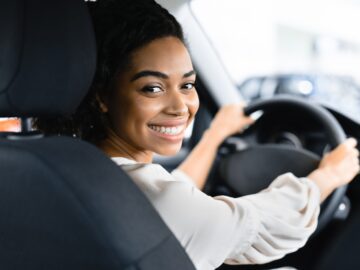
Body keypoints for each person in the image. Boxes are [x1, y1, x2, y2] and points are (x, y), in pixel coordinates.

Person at [35, 0, 360, 269]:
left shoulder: (58, 171)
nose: (181, 107)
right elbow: (261, 225)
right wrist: (328, 176)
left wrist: (213, 136)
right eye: (153, 88)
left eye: (188, 85)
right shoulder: (153, 202)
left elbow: (175, 195)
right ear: (101, 95)